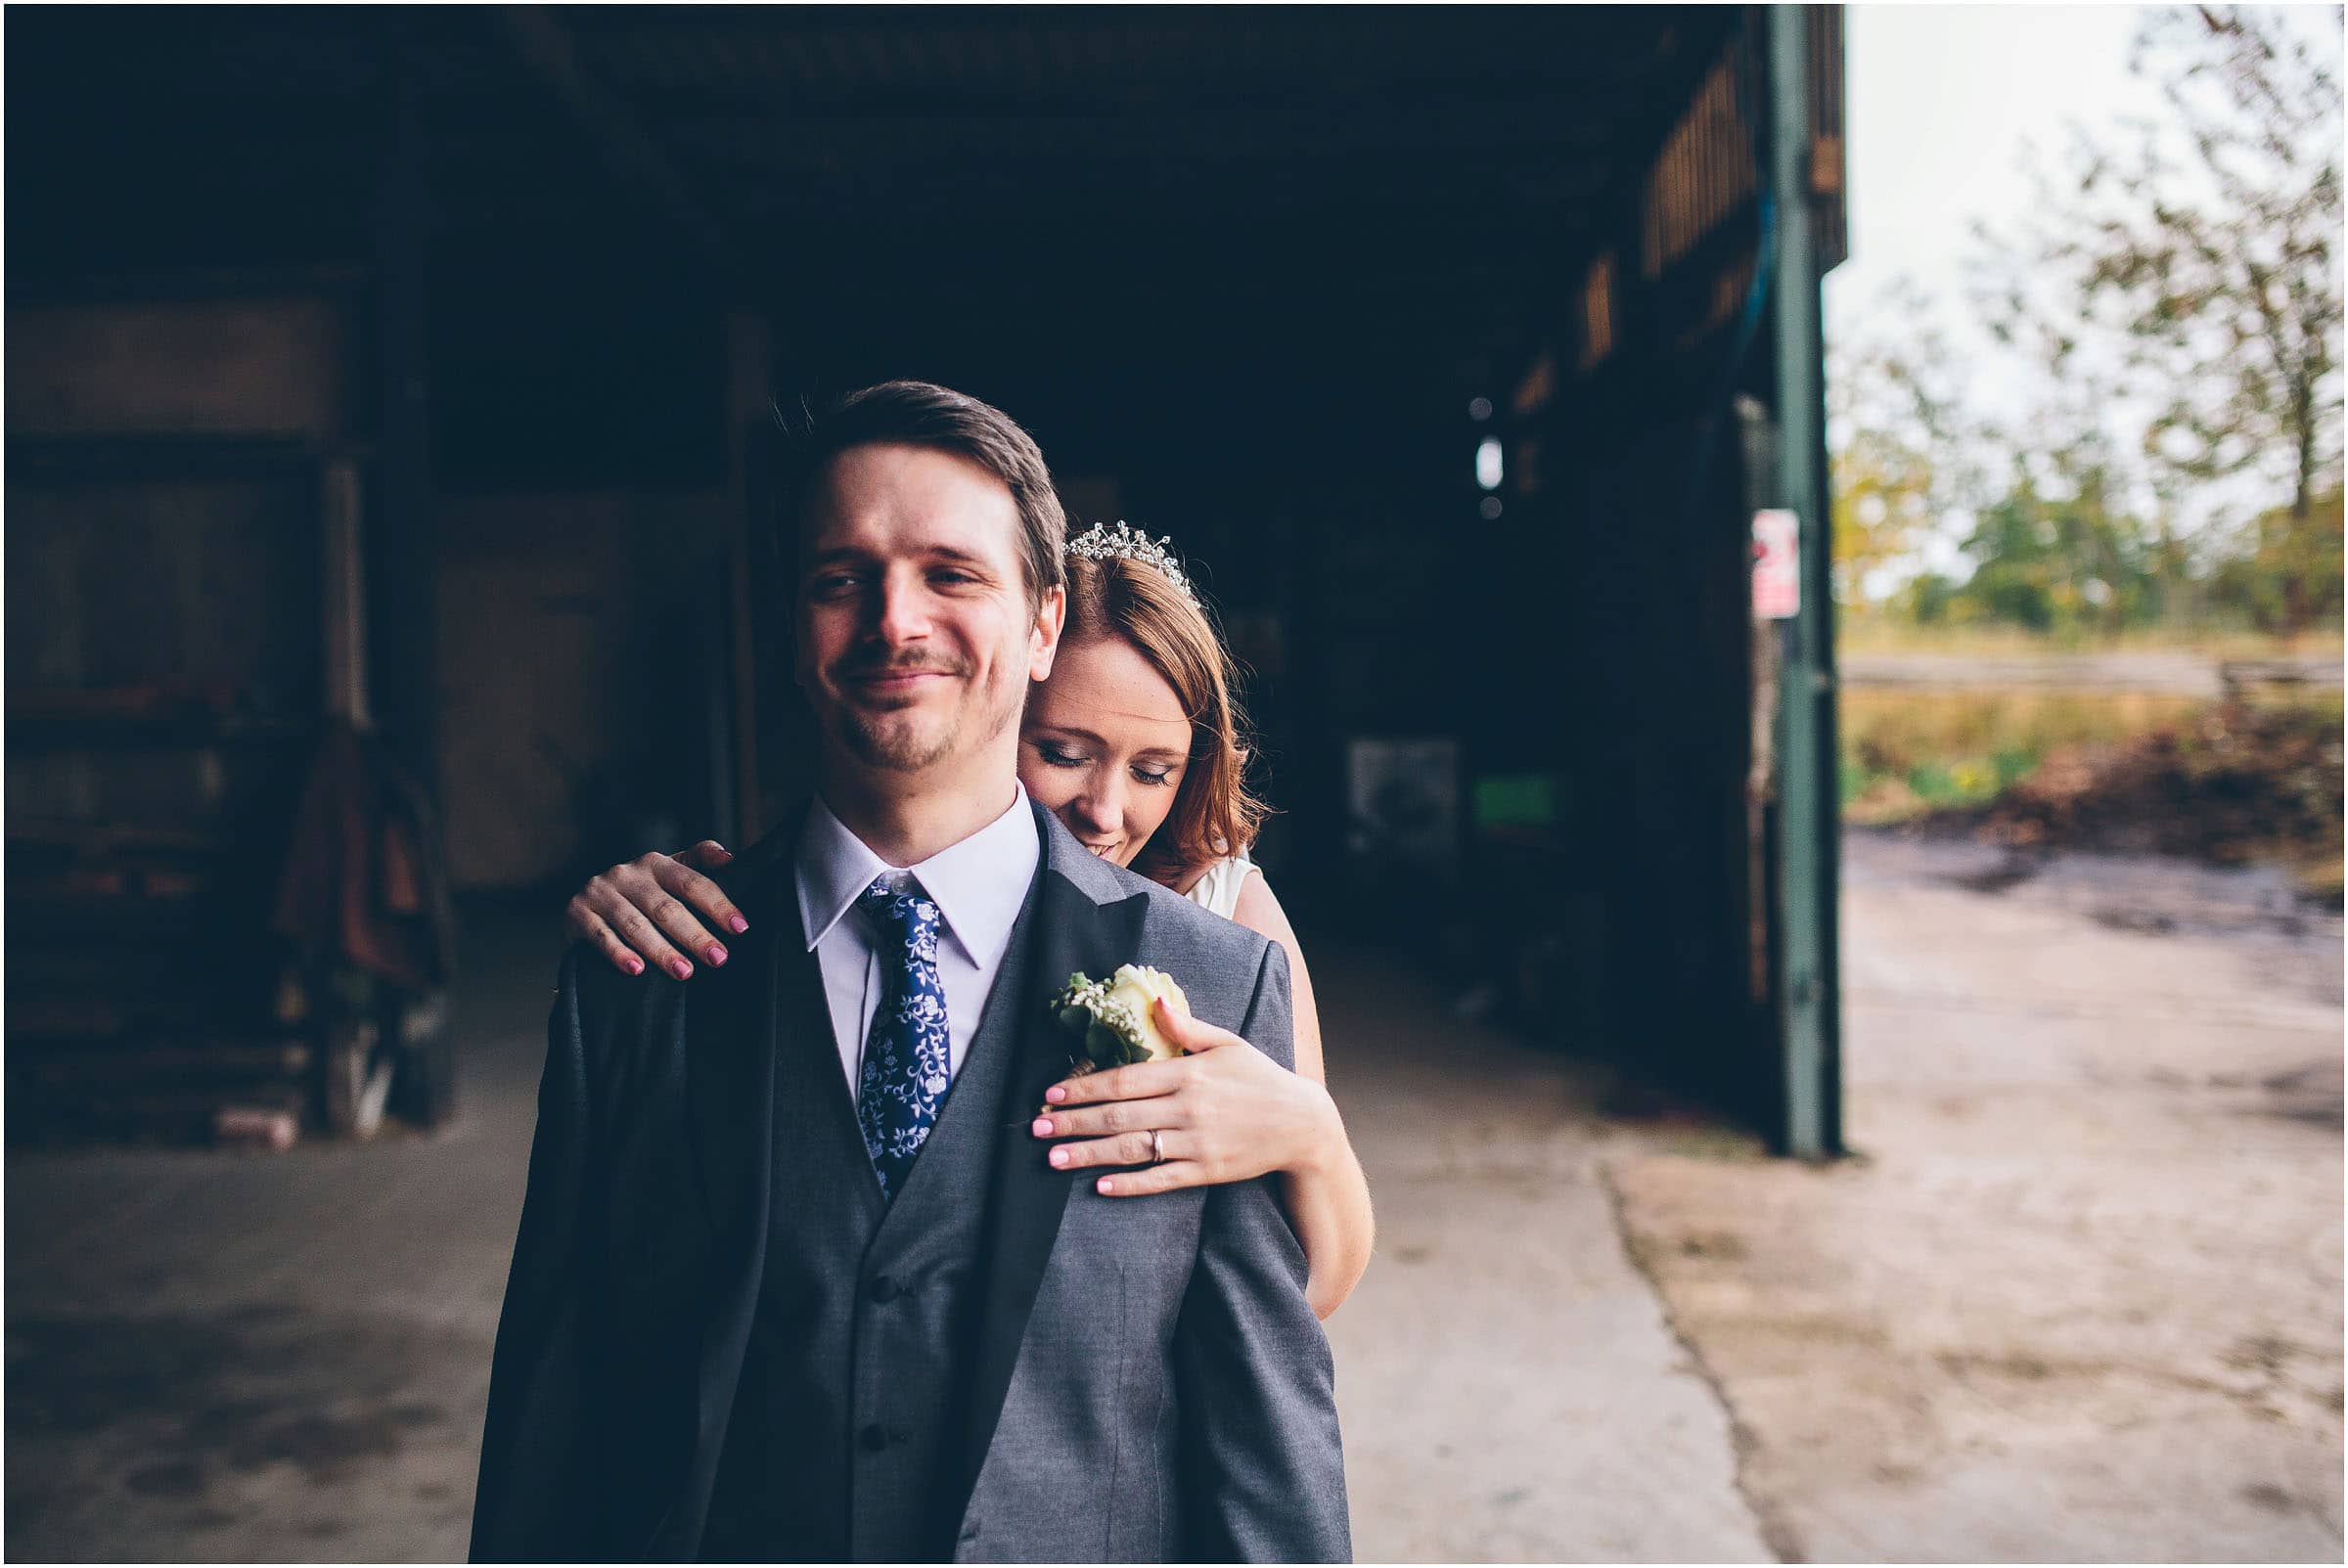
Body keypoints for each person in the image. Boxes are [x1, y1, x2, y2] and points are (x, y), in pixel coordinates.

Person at [471, 381, 1351, 1563]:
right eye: (843, 578)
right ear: (795, 625)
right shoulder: (641, 979)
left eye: (951, 574)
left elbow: (1265, 1454)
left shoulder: (1213, 980)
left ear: (1042, 627)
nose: (895, 621)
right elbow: (552, 1430)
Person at [565, 531, 1377, 1322]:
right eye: (1062, 752)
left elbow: (1315, 1289)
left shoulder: (1226, 921)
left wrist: (1312, 1134)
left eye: (1152, 770)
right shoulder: (881, 907)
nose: (1106, 809)